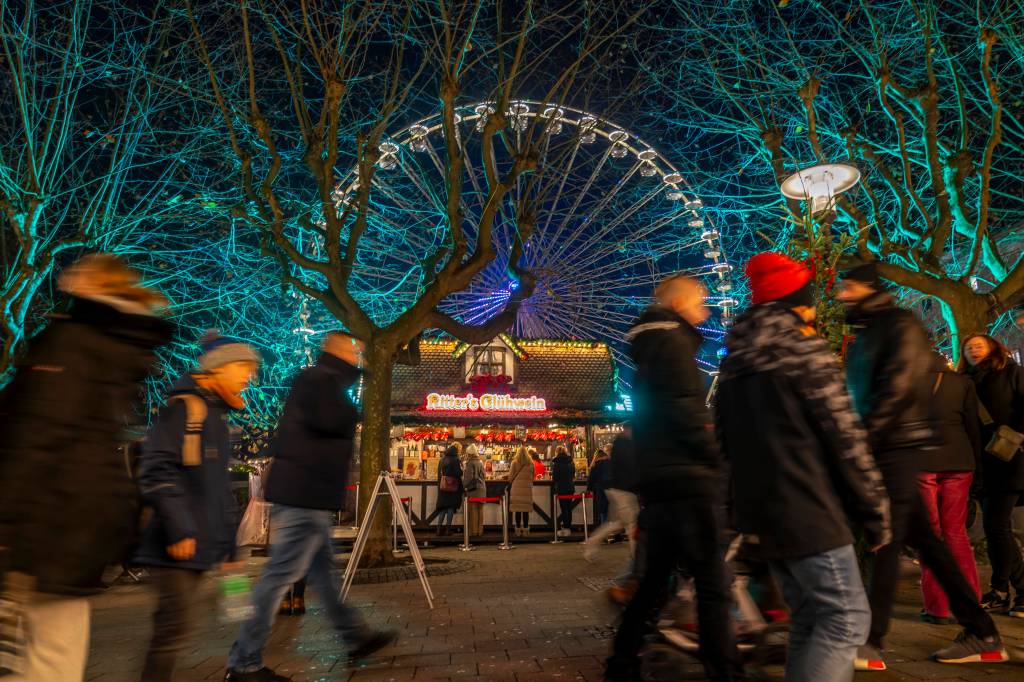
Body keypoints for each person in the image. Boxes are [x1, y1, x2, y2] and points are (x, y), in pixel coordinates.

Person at [716, 253, 891, 682]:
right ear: (798, 305)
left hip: (761, 510)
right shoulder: (804, 350)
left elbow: (724, 443)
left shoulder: (734, 362)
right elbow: (844, 436)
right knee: (846, 618)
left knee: (809, 619)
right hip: (807, 504)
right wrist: (875, 511)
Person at [0, 254, 172, 681]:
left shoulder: (69, 343)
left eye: (75, 273)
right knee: (58, 647)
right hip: (84, 518)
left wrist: (5, 523)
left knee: (33, 651)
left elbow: (38, 436)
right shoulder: (119, 348)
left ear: (88, 284)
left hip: (45, 517)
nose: (65, 276)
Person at [840, 263, 1006, 669]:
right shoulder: (866, 331)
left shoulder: (897, 325)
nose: (842, 294)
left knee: (888, 541)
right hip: (890, 446)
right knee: (927, 544)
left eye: (848, 287)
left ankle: (872, 643)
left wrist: (864, 439)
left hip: (896, 446)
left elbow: (895, 388)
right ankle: (981, 632)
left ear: (867, 288)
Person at [226, 332, 395, 682]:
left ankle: (355, 637)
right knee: (278, 577)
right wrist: (355, 403)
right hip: (303, 495)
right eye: (353, 349)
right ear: (336, 351)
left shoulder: (323, 380)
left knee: (324, 576)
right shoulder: (319, 380)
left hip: (308, 495)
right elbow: (334, 421)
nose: (357, 355)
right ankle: (244, 662)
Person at [606, 273, 741, 682]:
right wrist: (715, 460)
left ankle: (622, 662)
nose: (707, 308)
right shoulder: (674, 344)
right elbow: (687, 410)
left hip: (660, 483)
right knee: (713, 586)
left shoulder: (648, 347)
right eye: (701, 299)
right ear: (680, 303)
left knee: (652, 585)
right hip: (689, 481)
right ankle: (725, 671)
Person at [135, 329, 261, 681]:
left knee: (179, 629)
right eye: (244, 368)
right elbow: (156, 468)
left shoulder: (215, 417)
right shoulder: (185, 408)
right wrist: (179, 527)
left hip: (201, 545)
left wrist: (231, 551)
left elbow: (216, 489)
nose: (249, 378)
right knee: (171, 631)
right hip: (174, 546)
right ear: (220, 368)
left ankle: (246, 664)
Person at [961, 333, 1024, 616]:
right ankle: (1012, 590)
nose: (974, 350)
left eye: (979, 345)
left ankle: (1004, 589)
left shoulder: (1012, 372)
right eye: (968, 347)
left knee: (997, 525)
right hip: (984, 464)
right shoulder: (968, 381)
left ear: (993, 347)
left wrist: (1019, 435)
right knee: (995, 527)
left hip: (1010, 458)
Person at [918, 352, 982, 623]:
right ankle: (970, 603)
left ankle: (937, 607)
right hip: (959, 460)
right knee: (956, 534)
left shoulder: (909, 382)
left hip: (923, 460)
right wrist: (977, 465)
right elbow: (973, 427)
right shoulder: (962, 384)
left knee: (931, 535)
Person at [584, 427, 639, 566]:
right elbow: (631, 468)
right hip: (625, 491)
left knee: (618, 523)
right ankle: (636, 557)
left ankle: (592, 543)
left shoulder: (619, 444)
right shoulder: (626, 445)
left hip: (616, 489)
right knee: (632, 524)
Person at [435, 443, 464, 536]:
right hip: (452, 486)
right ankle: (448, 530)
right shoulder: (455, 460)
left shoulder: (442, 459)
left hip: (443, 486)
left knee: (443, 508)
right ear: (457, 449)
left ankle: (438, 530)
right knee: (451, 507)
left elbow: (439, 473)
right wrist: (462, 470)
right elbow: (458, 473)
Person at [508, 446, 534, 536]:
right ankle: (526, 529)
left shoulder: (514, 462)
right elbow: (532, 477)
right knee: (525, 510)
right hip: (527, 489)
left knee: (518, 510)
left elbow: (510, 477)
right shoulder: (531, 463)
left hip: (516, 489)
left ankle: (518, 530)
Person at [462, 445, 487, 537]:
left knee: (473, 510)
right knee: (480, 510)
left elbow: (468, 478)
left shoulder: (470, 463)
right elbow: (484, 475)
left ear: (469, 454)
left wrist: (464, 486)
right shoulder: (480, 462)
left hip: (474, 490)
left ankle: (474, 532)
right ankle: (480, 531)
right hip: (482, 488)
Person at [551, 445, 576, 537]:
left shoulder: (556, 464)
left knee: (564, 508)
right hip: (570, 487)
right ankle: (568, 527)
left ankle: (566, 528)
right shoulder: (571, 462)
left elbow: (555, 478)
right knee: (569, 508)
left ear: (557, 452)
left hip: (561, 488)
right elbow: (573, 474)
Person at [587, 447, 612, 527]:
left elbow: (591, 479)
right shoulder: (611, 463)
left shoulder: (595, 465)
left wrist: (589, 489)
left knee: (603, 511)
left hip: (601, 490)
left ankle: (604, 533)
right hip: (612, 490)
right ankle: (616, 533)